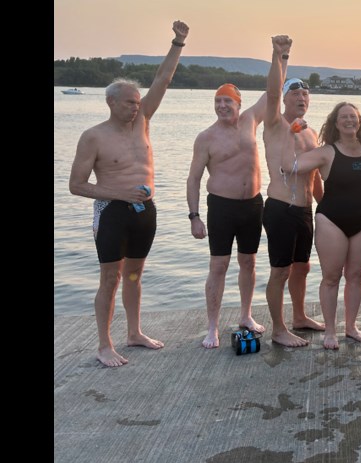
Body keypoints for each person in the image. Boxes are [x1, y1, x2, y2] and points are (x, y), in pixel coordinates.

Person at [68, 20, 189, 367]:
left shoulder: (143, 122)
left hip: (144, 211)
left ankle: (134, 332)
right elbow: (76, 185)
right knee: (111, 276)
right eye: (128, 103)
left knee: (135, 273)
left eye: (137, 102)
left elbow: (162, 81)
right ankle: (104, 345)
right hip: (112, 213)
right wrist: (119, 194)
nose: (135, 107)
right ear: (110, 102)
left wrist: (178, 42)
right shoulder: (94, 136)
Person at [187, 73, 291, 348]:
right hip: (221, 207)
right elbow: (194, 178)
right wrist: (194, 216)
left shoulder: (250, 121)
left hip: (252, 205)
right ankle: (212, 327)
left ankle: (246, 315)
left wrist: (280, 56)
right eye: (217, 101)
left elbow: (273, 93)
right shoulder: (206, 137)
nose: (222, 106)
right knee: (218, 266)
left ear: (238, 103)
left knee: (249, 262)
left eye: (227, 101)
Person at [281, 101, 361, 350]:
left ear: (359, 122)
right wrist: (289, 134)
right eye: (344, 117)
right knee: (331, 278)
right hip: (331, 221)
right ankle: (331, 331)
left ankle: (351, 327)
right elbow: (289, 166)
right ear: (335, 123)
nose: (349, 120)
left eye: (353, 117)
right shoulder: (327, 152)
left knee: (355, 276)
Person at [260, 36, 325, 348]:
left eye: (305, 93)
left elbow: (315, 179)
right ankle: (278, 329)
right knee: (280, 272)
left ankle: (299, 316)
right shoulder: (274, 125)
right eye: (295, 92)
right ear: (284, 99)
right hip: (281, 207)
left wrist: (328, 208)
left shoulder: (311, 132)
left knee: (303, 267)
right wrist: (279, 56)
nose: (301, 96)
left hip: (305, 210)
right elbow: (272, 90)